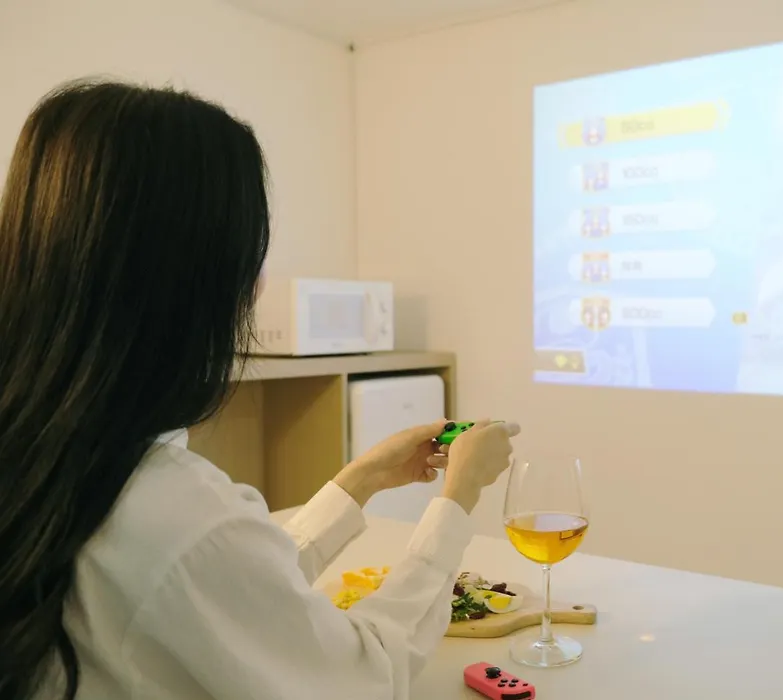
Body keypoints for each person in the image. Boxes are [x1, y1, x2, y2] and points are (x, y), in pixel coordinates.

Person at [0, 80, 520, 700]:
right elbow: (364, 679)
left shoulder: (50, 460)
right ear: (199, 275)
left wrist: (358, 482)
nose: (260, 281)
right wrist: (457, 500)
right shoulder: (171, 511)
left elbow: (233, 592)